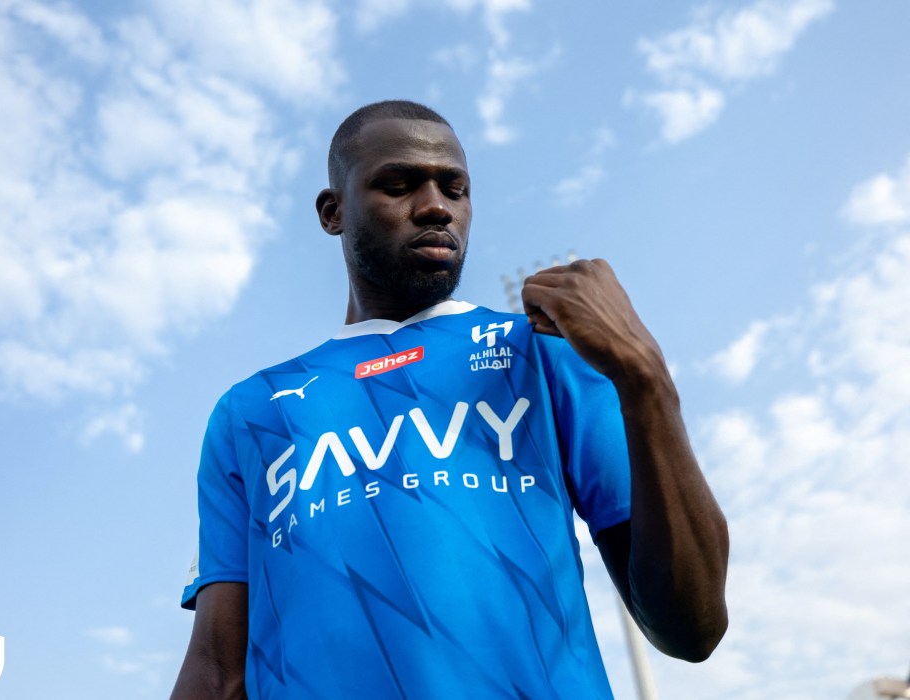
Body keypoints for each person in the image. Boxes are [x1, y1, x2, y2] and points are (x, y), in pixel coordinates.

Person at [171, 100, 729, 699]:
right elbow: (216, 670)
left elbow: (691, 628)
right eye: (400, 184)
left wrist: (646, 378)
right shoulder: (250, 412)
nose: (437, 206)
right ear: (333, 212)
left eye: (455, 188)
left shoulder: (545, 353)